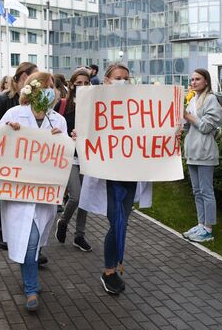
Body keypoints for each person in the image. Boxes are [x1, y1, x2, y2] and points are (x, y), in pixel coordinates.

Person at [0, 71, 66, 311]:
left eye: (52, 87)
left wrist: (63, 140)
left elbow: (64, 156)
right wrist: (9, 131)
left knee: (33, 240)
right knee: (29, 239)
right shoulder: (13, 114)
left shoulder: (57, 120)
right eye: (44, 86)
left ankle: (29, 276)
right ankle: (31, 288)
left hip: (43, 191)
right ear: (31, 89)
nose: (48, 91)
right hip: (18, 190)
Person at [78, 63, 137, 295]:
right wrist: (79, 135)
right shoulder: (95, 105)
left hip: (131, 173)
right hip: (108, 174)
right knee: (116, 221)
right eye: (117, 78)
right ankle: (109, 271)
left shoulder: (137, 106)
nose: (122, 81)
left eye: (126, 78)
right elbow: (86, 131)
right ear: (106, 81)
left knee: (124, 221)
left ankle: (111, 268)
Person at [0, 62, 38, 250]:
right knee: (4, 192)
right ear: (24, 77)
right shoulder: (4, 99)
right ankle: (2, 229)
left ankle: (30, 238)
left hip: (28, 156)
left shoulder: (35, 100)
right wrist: (7, 127)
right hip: (8, 155)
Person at [182, 69, 222, 243]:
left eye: (197, 79)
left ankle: (208, 229)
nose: (193, 82)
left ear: (206, 81)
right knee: (197, 191)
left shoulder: (211, 99)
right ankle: (201, 224)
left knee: (206, 192)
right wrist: (183, 121)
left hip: (205, 152)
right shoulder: (192, 100)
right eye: (191, 79)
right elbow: (189, 126)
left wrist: (187, 116)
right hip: (192, 152)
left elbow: (207, 127)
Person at [54, 68, 92, 252]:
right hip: (69, 155)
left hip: (88, 156)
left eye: (86, 83)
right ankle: (63, 221)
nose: (83, 86)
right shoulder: (62, 105)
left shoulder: (94, 105)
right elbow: (51, 125)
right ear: (72, 84)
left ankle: (79, 235)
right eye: (79, 83)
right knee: (76, 196)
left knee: (85, 198)